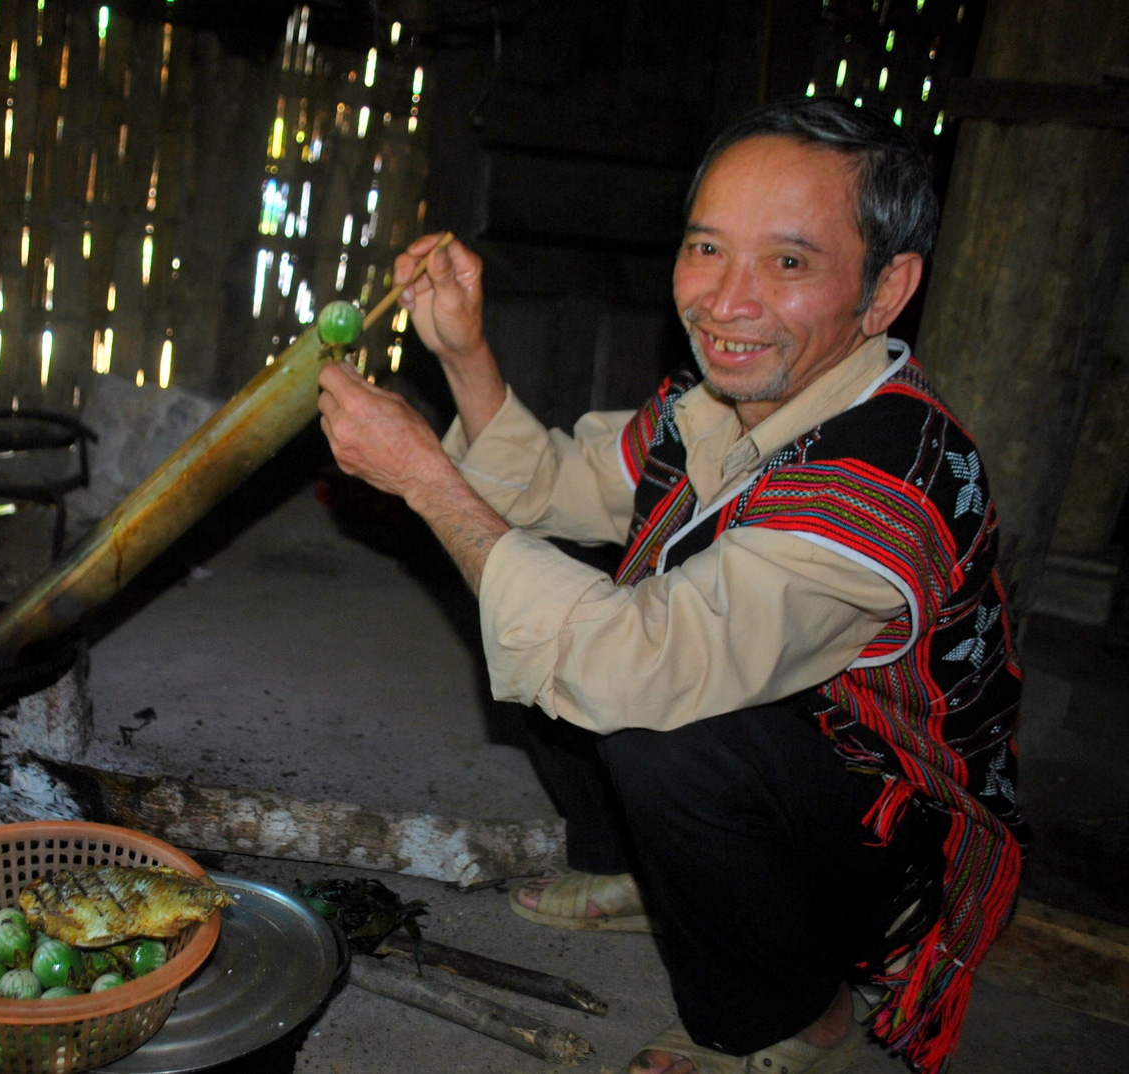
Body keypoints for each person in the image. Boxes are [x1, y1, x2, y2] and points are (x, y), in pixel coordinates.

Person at [316, 98, 1027, 1074]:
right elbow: (562, 487)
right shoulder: (735, 402)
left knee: (641, 704)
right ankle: (654, 879)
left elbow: (620, 663)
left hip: (886, 839)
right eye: (705, 248)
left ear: (884, 288)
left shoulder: (877, 490)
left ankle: (802, 1009)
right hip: (790, 755)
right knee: (538, 594)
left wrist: (424, 480)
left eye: (788, 263)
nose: (725, 302)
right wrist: (461, 353)